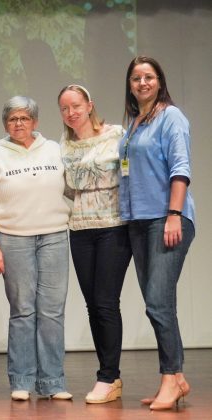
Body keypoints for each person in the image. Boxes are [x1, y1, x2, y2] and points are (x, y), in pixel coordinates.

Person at [0, 96, 71, 401]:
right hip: (13, 239)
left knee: (52, 311)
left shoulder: (55, 149)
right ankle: (22, 381)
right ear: (5, 124)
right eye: (13, 119)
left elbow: (72, 189)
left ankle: (53, 382)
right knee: (23, 311)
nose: (18, 123)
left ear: (35, 122)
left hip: (54, 236)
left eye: (24, 118)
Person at [120, 56, 195, 411]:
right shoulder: (135, 123)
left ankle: (170, 376)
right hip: (138, 222)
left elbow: (180, 167)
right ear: (130, 85)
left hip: (166, 219)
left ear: (160, 81)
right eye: (136, 78)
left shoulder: (170, 117)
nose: (142, 83)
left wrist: (174, 214)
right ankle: (176, 378)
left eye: (148, 77)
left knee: (158, 301)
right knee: (159, 304)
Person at [58, 85, 132, 404]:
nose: (71, 112)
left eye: (76, 105)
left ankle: (108, 376)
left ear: (90, 105)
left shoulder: (116, 135)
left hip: (114, 228)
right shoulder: (64, 145)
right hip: (80, 229)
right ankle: (109, 376)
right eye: (64, 108)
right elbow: (65, 188)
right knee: (93, 305)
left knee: (106, 302)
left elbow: (130, 174)